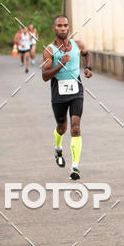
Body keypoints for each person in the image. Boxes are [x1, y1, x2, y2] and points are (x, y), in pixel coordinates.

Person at [41, 15, 92, 180]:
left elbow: (86, 54)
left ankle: (75, 167)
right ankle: (57, 147)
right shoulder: (49, 50)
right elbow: (45, 75)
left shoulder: (78, 45)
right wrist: (60, 64)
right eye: (59, 26)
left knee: (75, 127)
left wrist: (88, 67)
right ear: (54, 28)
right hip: (59, 95)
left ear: (69, 27)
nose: (63, 28)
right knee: (62, 127)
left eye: (65, 25)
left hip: (76, 92)